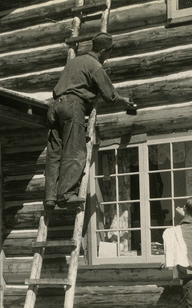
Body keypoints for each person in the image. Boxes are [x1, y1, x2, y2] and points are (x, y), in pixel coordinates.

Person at [44, 32, 136, 208]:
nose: (108, 57)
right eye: (109, 53)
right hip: (72, 106)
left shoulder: (74, 62)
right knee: (75, 150)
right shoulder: (95, 66)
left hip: (55, 107)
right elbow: (110, 96)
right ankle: (66, 194)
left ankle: (50, 197)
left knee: (55, 153)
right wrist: (126, 103)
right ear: (102, 51)